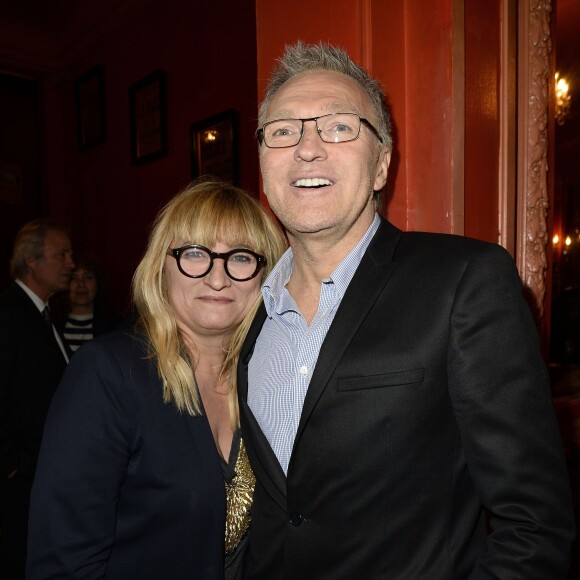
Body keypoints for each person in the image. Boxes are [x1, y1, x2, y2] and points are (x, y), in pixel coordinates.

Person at [237, 41, 576, 579]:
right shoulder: (247, 315)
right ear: (262, 163)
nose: (307, 147)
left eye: (339, 127)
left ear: (381, 166)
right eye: (283, 131)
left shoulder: (463, 281)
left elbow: (534, 523)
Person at [25, 178, 286, 580]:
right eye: (195, 254)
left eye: (241, 257)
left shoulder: (271, 382)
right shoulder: (108, 374)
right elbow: (62, 564)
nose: (218, 278)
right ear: (161, 267)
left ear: (266, 275)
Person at [0, 218, 74, 580]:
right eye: (60, 254)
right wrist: (11, 463)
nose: (70, 263)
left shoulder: (45, 315)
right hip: (19, 483)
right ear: (31, 261)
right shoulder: (8, 314)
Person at [55, 255, 123, 354]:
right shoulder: (52, 323)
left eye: (88, 277)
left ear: (98, 283)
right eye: (74, 278)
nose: (81, 284)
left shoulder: (115, 326)